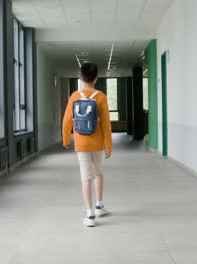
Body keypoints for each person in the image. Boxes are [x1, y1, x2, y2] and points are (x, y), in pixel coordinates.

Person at [62, 62, 113, 227]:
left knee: (86, 177)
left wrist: (66, 139)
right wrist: (109, 145)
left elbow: (67, 120)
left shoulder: (75, 96)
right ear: (96, 78)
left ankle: (90, 215)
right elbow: (106, 124)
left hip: (81, 144)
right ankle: (99, 206)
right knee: (98, 173)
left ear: (80, 77)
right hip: (97, 143)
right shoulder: (101, 97)